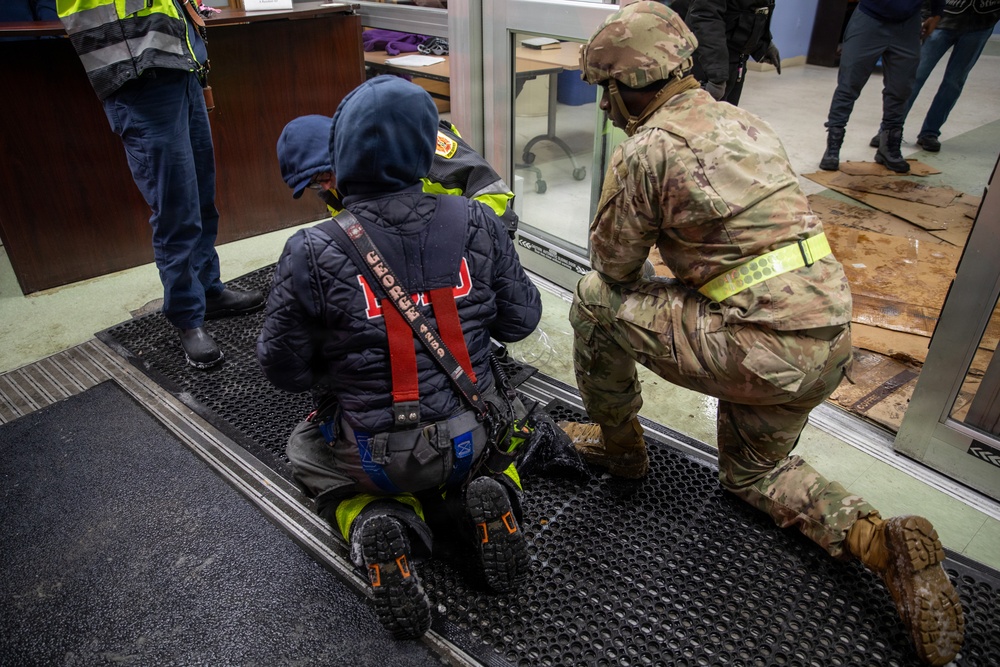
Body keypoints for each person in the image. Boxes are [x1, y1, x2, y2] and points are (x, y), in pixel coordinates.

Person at [562, 3, 964, 664]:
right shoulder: (744, 121)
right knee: (754, 473)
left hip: (756, 348)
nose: (602, 105)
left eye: (603, 89)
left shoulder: (647, 150)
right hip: (828, 336)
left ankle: (620, 448)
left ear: (626, 88)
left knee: (593, 300)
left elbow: (614, 268)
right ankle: (878, 542)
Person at [257, 76, 542, 640]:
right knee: (508, 412)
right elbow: (522, 321)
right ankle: (496, 489)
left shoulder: (311, 249)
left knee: (303, 448)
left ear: (342, 154)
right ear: (424, 150)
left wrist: (345, 367)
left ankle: (374, 521)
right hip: (471, 435)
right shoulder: (476, 219)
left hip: (374, 456)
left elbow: (281, 370)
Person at [56, 0, 264, 369]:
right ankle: (188, 316)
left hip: (178, 69)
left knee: (200, 198)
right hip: (137, 77)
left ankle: (208, 291)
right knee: (176, 211)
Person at [276, 107, 519, 237]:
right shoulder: (335, 188)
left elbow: (492, 193)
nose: (326, 188)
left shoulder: (416, 145)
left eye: (325, 177)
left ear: (341, 151)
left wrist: (458, 240)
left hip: (477, 228)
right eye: (315, 185)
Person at [819, 0, 944, 173]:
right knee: (848, 85)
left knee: (901, 89)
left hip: (908, 24)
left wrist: (937, 13)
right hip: (869, 18)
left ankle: (889, 148)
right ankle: (833, 147)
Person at [901, 0, 1000, 153]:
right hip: (942, 19)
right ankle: (890, 129)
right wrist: (928, 14)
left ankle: (930, 132)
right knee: (916, 75)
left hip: (981, 24)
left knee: (954, 82)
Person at [681, 0, 782, 105]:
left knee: (727, 118)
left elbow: (748, 8)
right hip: (707, 62)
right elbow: (706, 16)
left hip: (736, 61)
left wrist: (763, 42)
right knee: (700, 118)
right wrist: (717, 76)